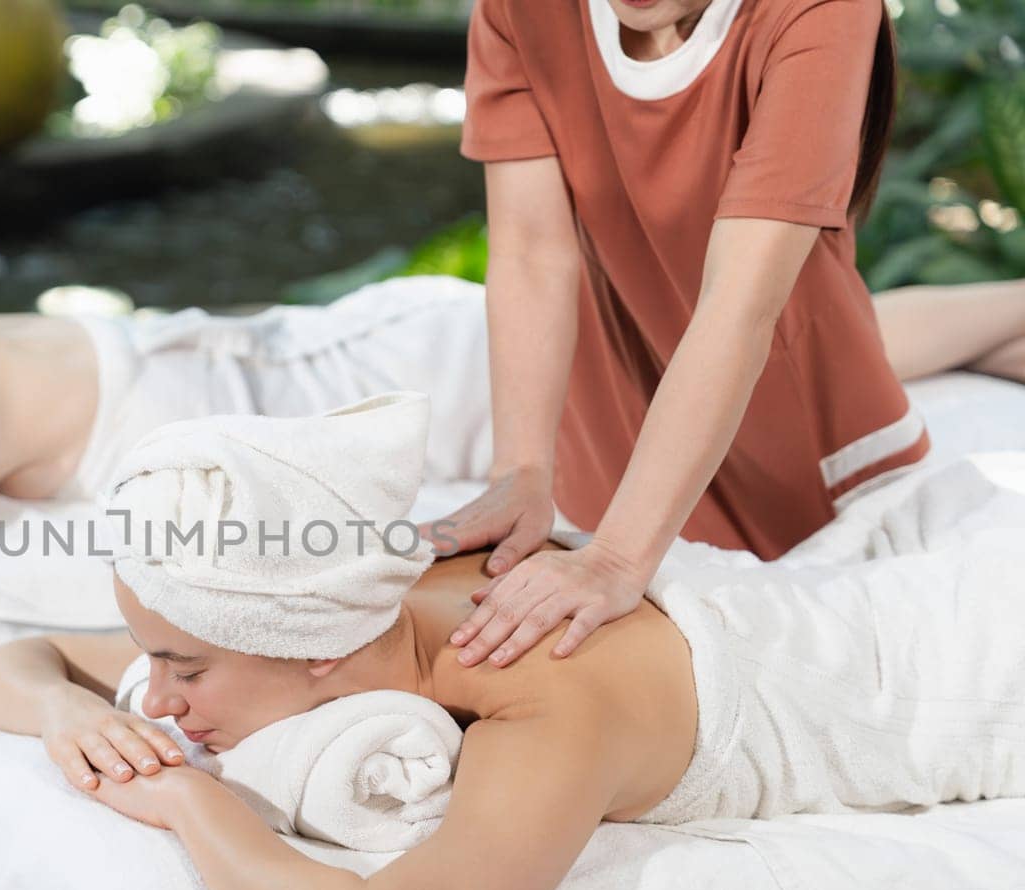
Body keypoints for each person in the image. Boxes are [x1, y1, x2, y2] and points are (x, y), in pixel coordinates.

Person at [0, 394, 1025, 890]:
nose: (165, 701)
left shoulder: (548, 690)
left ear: (318, 648)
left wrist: (189, 799)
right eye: (153, 663)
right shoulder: (352, 581)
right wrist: (60, 707)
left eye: (180, 668)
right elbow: (6, 662)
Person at [0, 157, 1024, 616]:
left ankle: (1010, 303)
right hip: (345, 355)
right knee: (786, 358)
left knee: (792, 359)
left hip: (418, 373)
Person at [426, 0, 1025, 672]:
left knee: (834, 331)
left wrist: (620, 557)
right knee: (856, 327)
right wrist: (522, 472)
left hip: (794, 453)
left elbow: (738, 307)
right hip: (626, 408)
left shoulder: (822, 10)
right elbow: (534, 250)